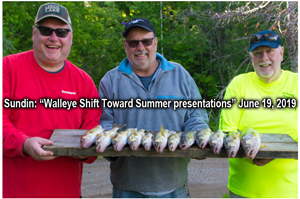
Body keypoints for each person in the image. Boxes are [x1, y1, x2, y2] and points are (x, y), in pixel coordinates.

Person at [99, 17, 209, 198]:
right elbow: (104, 125)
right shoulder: (110, 81)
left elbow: (196, 117)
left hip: (174, 186)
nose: (140, 48)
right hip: (127, 188)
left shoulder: (179, 74)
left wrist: (199, 141)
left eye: (146, 41)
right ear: (125, 46)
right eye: (133, 43)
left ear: (155, 43)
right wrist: (111, 149)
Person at [3, 3, 102, 197]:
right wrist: (23, 143)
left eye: (62, 32)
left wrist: (94, 146)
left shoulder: (84, 82)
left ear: (70, 37)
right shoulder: (7, 68)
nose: (54, 38)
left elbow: (93, 132)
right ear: (34, 33)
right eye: (46, 30)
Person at [219, 30, 298, 198]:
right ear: (251, 57)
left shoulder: (296, 84)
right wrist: (250, 153)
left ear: (281, 53)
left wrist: (274, 154)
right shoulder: (239, 84)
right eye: (258, 53)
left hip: (289, 191)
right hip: (243, 189)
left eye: (270, 51)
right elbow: (228, 131)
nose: (264, 58)